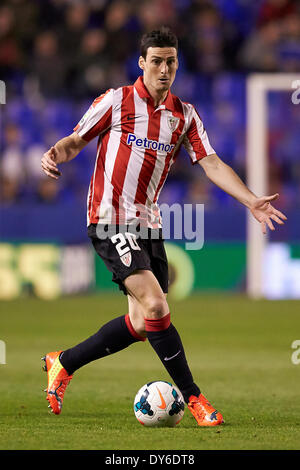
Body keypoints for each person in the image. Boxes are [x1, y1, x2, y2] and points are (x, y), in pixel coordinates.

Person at [41, 27, 287, 426]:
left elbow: (210, 162)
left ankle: (63, 362)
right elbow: (75, 140)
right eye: (156, 60)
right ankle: (195, 400)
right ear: (142, 63)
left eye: (170, 61)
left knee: (141, 323)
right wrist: (55, 154)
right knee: (156, 305)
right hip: (109, 219)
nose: (164, 68)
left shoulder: (184, 115)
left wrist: (250, 200)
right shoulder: (116, 101)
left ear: (177, 64)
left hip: (149, 224)